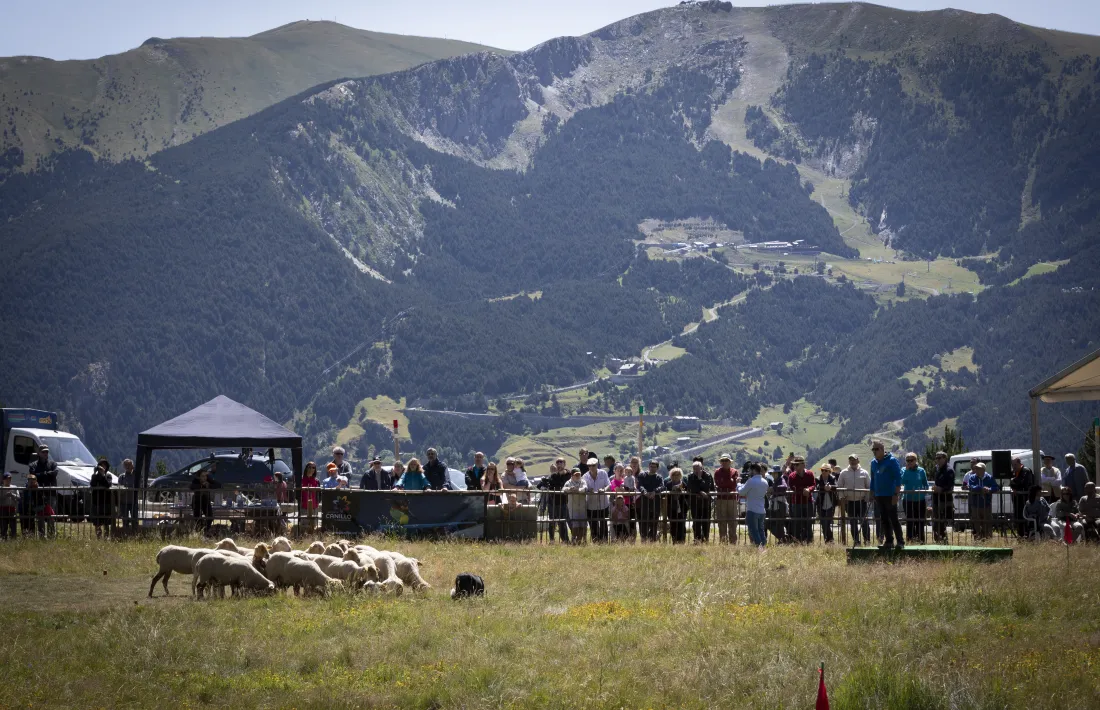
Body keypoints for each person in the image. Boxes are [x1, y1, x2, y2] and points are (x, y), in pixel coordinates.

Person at [870, 441, 905, 550]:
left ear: (882, 449)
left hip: (890, 494)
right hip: (879, 495)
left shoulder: (892, 460)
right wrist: (872, 492)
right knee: (884, 519)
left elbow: (898, 478)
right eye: (873, 449)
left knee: (893, 518)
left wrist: (896, 494)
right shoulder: (873, 462)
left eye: (876, 449)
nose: (874, 451)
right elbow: (873, 478)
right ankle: (889, 541)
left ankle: (900, 542)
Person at [837, 455, 871, 547]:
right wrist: (842, 498)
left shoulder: (864, 472)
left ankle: (867, 541)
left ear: (858, 461)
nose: (853, 461)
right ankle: (856, 542)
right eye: (851, 460)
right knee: (853, 523)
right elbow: (839, 486)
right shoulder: (843, 473)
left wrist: (867, 498)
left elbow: (868, 486)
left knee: (864, 522)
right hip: (849, 502)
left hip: (862, 501)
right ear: (849, 461)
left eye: (854, 460)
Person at [538, 458, 572, 542]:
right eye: (557, 462)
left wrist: (555, 476)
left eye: (561, 462)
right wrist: (546, 482)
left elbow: (561, 484)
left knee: (562, 522)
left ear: (564, 464)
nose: (559, 464)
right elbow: (540, 485)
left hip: (563, 502)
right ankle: (552, 540)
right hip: (552, 502)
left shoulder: (568, 475)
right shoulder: (553, 475)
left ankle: (566, 540)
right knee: (552, 522)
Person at [28, 444, 58, 537]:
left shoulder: (53, 464)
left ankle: (51, 535)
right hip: (38, 494)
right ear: (39, 453)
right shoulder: (32, 465)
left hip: (51, 493)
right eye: (43, 452)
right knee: (40, 516)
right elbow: (32, 476)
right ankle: (41, 536)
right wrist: (47, 474)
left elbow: (55, 473)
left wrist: (40, 475)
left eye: (47, 452)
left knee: (51, 515)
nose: (45, 453)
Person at [962, 462, 997, 540]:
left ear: (983, 470)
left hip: (986, 505)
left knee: (987, 523)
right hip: (975, 505)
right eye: (976, 468)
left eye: (978, 469)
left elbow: (996, 487)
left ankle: (987, 540)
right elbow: (971, 486)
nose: (976, 470)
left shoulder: (989, 477)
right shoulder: (972, 477)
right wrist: (981, 489)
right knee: (976, 523)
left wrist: (989, 489)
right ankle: (978, 539)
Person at [738, 462, 769, 548]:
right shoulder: (765, 482)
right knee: (761, 530)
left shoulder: (751, 481)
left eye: (750, 470)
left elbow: (741, 492)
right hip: (761, 510)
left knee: (754, 531)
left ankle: (759, 548)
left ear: (754, 470)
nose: (749, 472)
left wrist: (738, 484)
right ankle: (764, 547)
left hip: (752, 510)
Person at [786, 456, 815, 544]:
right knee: (797, 523)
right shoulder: (792, 476)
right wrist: (804, 490)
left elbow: (813, 485)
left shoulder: (810, 474)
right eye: (794, 465)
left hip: (808, 501)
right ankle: (797, 541)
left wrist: (809, 489)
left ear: (803, 465)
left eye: (797, 465)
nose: (795, 466)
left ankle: (809, 541)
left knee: (808, 522)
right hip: (796, 503)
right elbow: (792, 487)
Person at [900, 453, 928, 544]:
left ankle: (920, 541)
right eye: (907, 460)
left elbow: (926, 484)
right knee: (910, 521)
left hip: (920, 500)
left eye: (911, 460)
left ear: (916, 460)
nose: (909, 462)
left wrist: (923, 492)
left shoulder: (921, 470)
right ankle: (910, 541)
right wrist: (907, 471)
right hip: (908, 500)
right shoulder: (903, 470)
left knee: (920, 521)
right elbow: (902, 481)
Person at [686, 459, 715, 544]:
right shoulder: (690, 476)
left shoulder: (707, 475)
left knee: (706, 521)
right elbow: (690, 487)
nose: (696, 470)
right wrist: (700, 492)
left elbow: (707, 487)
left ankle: (706, 539)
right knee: (696, 522)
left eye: (697, 468)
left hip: (706, 503)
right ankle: (697, 539)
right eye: (694, 468)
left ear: (702, 468)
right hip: (695, 503)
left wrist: (699, 478)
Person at [582, 457, 610, 542]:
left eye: (593, 465)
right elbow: (584, 487)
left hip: (603, 504)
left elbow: (608, 484)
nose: (591, 467)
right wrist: (588, 490)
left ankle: (604, 542)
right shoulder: (585, 476)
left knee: (603, 523)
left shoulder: (603, 473)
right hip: (591, 505)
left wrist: (604, 489)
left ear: (597, 465)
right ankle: (596, 542)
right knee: (593, 524)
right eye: (589, 466)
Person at [636, 459, 664, 542]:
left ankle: (652, 540)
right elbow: (640, 485)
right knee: (644, 521)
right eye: (651, 466)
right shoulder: (642, 475)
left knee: (654, 522)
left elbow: (662, 486)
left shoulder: (659, 477)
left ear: (657, 468)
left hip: (655, 502)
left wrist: (655, 492)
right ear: (648, 466)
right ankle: (644, 540)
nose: (652, 468)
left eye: (654, 467)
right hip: (644, 502)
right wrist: (644, 492)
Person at [929, 451, 954, 544]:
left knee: (941, 521)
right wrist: (936, 488)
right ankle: (938, 541)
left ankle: (943, 542)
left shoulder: (949, 470)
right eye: (936, 458)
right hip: (936, 499)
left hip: (944, 500)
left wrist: (941, 489)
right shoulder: (937, 469)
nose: (937, 460)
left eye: (939, 458)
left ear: (945, 458)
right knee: (936, 521)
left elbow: (950, 486)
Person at [714, 454, 739, 544]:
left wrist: (726, 483)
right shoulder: (717, 472)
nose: (724, 462)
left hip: (732, 499)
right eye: (722, 460)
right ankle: (723, 541)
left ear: (730, 462)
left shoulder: (734, 471)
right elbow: (719, 483)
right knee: (722, 521)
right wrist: (730, 482)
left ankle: (733, 542)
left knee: (733, 521)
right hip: (721, 499)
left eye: (726, 460)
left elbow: (733, 485)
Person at [1009, 457, 1036, 538]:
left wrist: (1014, 482)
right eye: (1012, 465)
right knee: (1018, 517)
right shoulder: (1014, 472)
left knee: (1025, 516)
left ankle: (1027, 535)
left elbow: (1023, 483)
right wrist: (1014, 484)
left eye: (1015, 464)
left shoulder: (1026, 471)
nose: (1014, 467)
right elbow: (1011, 483)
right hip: (1017, 499)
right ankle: (1020, 535)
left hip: (1025, 499)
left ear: (1019, 463)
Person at [189, 464, 220, 534]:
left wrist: (209, 484)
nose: (204, 478)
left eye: (205, 476)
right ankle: (199, 532)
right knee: (197, 518)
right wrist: (201, 485)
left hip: (206, 501)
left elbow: (218, 485)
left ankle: (205, 530)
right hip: (197, 501)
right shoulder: (196, 480)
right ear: (199, 477)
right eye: (203, 476)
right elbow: (191, 486)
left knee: (210, 517)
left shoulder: (208, 480)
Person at [562, 468, 588, 543]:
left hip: (582, 507)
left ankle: (583, 541)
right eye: (576, 475)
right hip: (573, 507)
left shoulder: (583, 481)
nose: (578, 476)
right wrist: (570, 489)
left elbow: (585, 488)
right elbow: (564, 489)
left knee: (583, 525)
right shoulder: (568, 482)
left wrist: (578, 490)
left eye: (579, 474)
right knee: (575, 525)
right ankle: (573, 540)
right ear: (572, 475)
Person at [766, 465, 790, 544]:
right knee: (771, 523)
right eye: (773, 473)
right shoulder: (776, 481)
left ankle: (783, 539)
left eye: (775, 473)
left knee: (779, 523)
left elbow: (784, 487)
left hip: (780, 505)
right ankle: (782, 538)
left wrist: (773, 488)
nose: (773, 475)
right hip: (776, 504)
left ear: (778, 473)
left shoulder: (781, 479)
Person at [665, 467, 689, 544]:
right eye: (674, 474)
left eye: (678, 474)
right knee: (673, 524)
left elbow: (687, 495)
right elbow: (665, 495)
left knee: (682, 524)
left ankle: (682, 541)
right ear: (671, 475)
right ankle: (675, 541)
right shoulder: (668, 484)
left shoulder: (684, 484)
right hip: (671, 507)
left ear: (680, 475)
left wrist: (681, 491)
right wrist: (672, 490)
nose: (676, 476)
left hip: (682, 507)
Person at [90, 458, 113, 539]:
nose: (103, 467)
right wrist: (95, 473)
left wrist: (103, 475)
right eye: (101, 465)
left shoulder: (108, 476)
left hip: (106, 501)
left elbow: (107, 485)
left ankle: (106, 537)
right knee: (97, 521)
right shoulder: (94, 476)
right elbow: (92, 484)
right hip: (96, 501)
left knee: (106, 521)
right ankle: (98, 537)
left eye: (104, 465)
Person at [816, 464, 838, 544]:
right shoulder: (818, 478)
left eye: (826, 470)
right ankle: (828, 539)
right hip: (820, 503)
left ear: (829, 471)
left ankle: (829, 539)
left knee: (827, 522)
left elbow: (836, 486)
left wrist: (830, 487)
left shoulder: (832, 478)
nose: (824, 472)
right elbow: (817, 486)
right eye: (822, 470)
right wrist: (824, 487)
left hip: (830, 503)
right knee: (823, 522)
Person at [117, 458, 138, 532]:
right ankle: (125, 533)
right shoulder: (121, 477)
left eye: (129, 464)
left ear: (132, 465)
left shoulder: (136, 476)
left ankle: (135, 533)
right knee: (125, 520)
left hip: (133, 502)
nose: (127, 466)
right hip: (124, 502)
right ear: (124, 466)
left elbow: (140, 485)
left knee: (134, 519)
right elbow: (119, 487)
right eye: (126, 465)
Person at [300, 462, 320, 532]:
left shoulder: (316, 481)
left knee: (314, 526)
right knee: (304, 526)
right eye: (310, 467)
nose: (311, 469)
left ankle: (313, 537)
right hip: (304, 506)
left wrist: (317, 502)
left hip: (314, 506)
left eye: (313, 467)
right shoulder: (301, 480)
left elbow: (319, 493)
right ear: (306, 468)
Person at [1, 472, 20, 539]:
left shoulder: (14, 487)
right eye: (7, 479)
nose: (8, 480)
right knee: (3, 526)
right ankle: (4, 538)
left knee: (13, 526)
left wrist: (12, 495)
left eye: (10, 479)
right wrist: (5, 496)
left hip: (12, 509)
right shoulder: (1, 488)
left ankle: (13, 539)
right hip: (3, 509)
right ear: (3, 480)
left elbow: (18, 497)